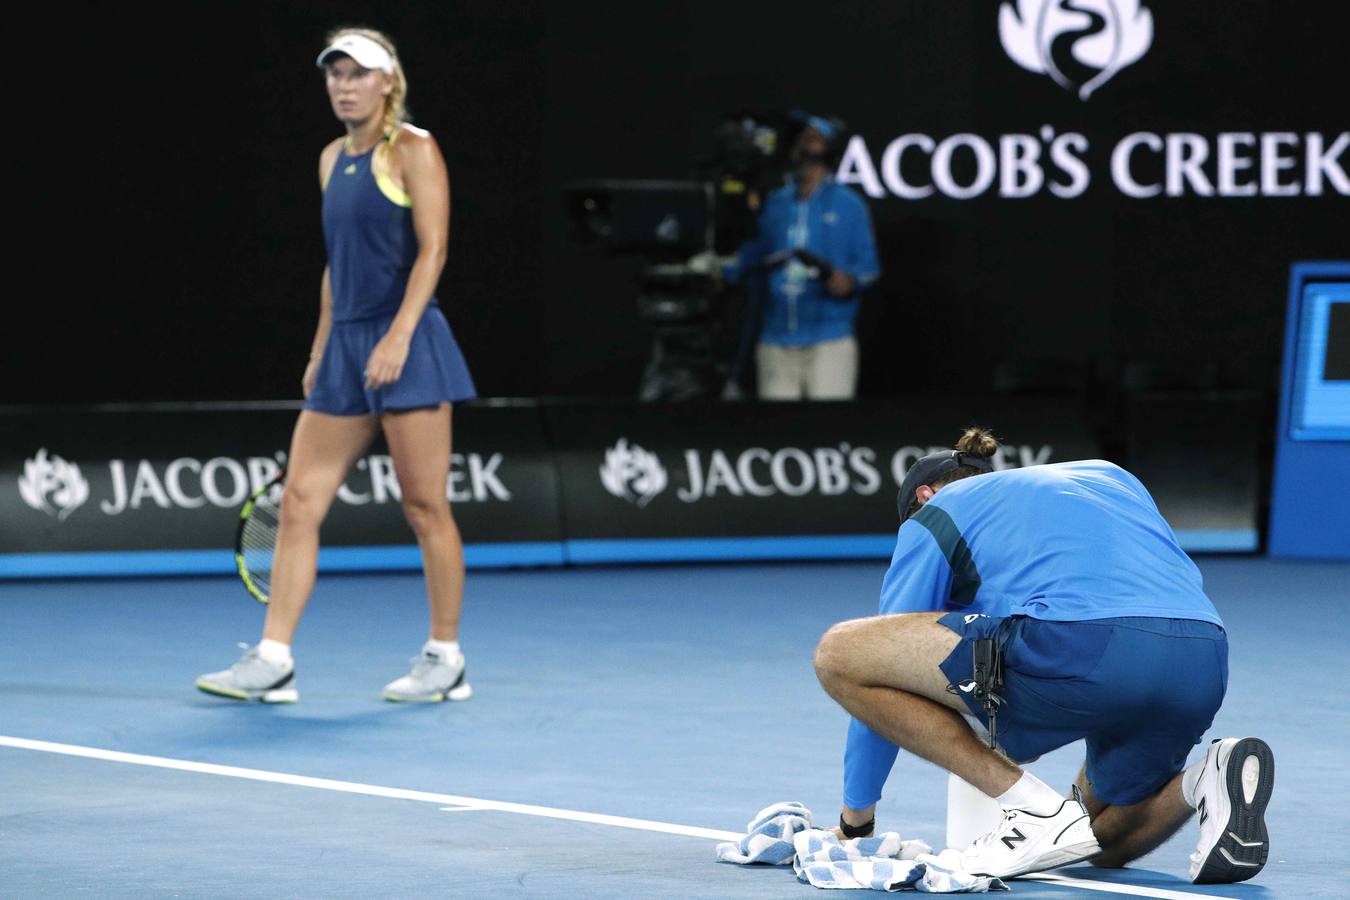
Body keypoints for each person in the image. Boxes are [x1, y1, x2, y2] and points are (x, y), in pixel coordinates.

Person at [812, 428, 1274, 884]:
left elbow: (887, 662)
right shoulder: (1110, 477)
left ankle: (1029, 811)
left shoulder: (934, 514)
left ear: (925, 494)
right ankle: (1205, 780)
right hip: (1202, 660)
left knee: (841, 653)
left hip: (1085, 650)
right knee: (1097, 839)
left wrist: (857, 823)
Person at [197, 28, 477, 704]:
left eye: (359, 74)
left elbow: (433, 251)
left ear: (389, 82)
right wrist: (322, 345)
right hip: (347, 346)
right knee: (298, 500)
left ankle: (445, 659)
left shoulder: (415, 149)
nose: (345, 86)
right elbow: (337, 265)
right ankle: (273, 660)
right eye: (335, 74)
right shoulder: (329, 159)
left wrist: (399, 337)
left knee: (423, 506)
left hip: (407, 341)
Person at [719, 114, 880, 401]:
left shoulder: (849, 204)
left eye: (815, 138)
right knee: (778, 437)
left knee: (830, 437)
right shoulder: (775, 203)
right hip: (776, 341)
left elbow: (869, 267)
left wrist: (849, 280)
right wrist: (720, 270)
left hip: (830, 339)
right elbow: (751, 259)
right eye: (802, 138)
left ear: (830, 149)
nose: (805, 144)